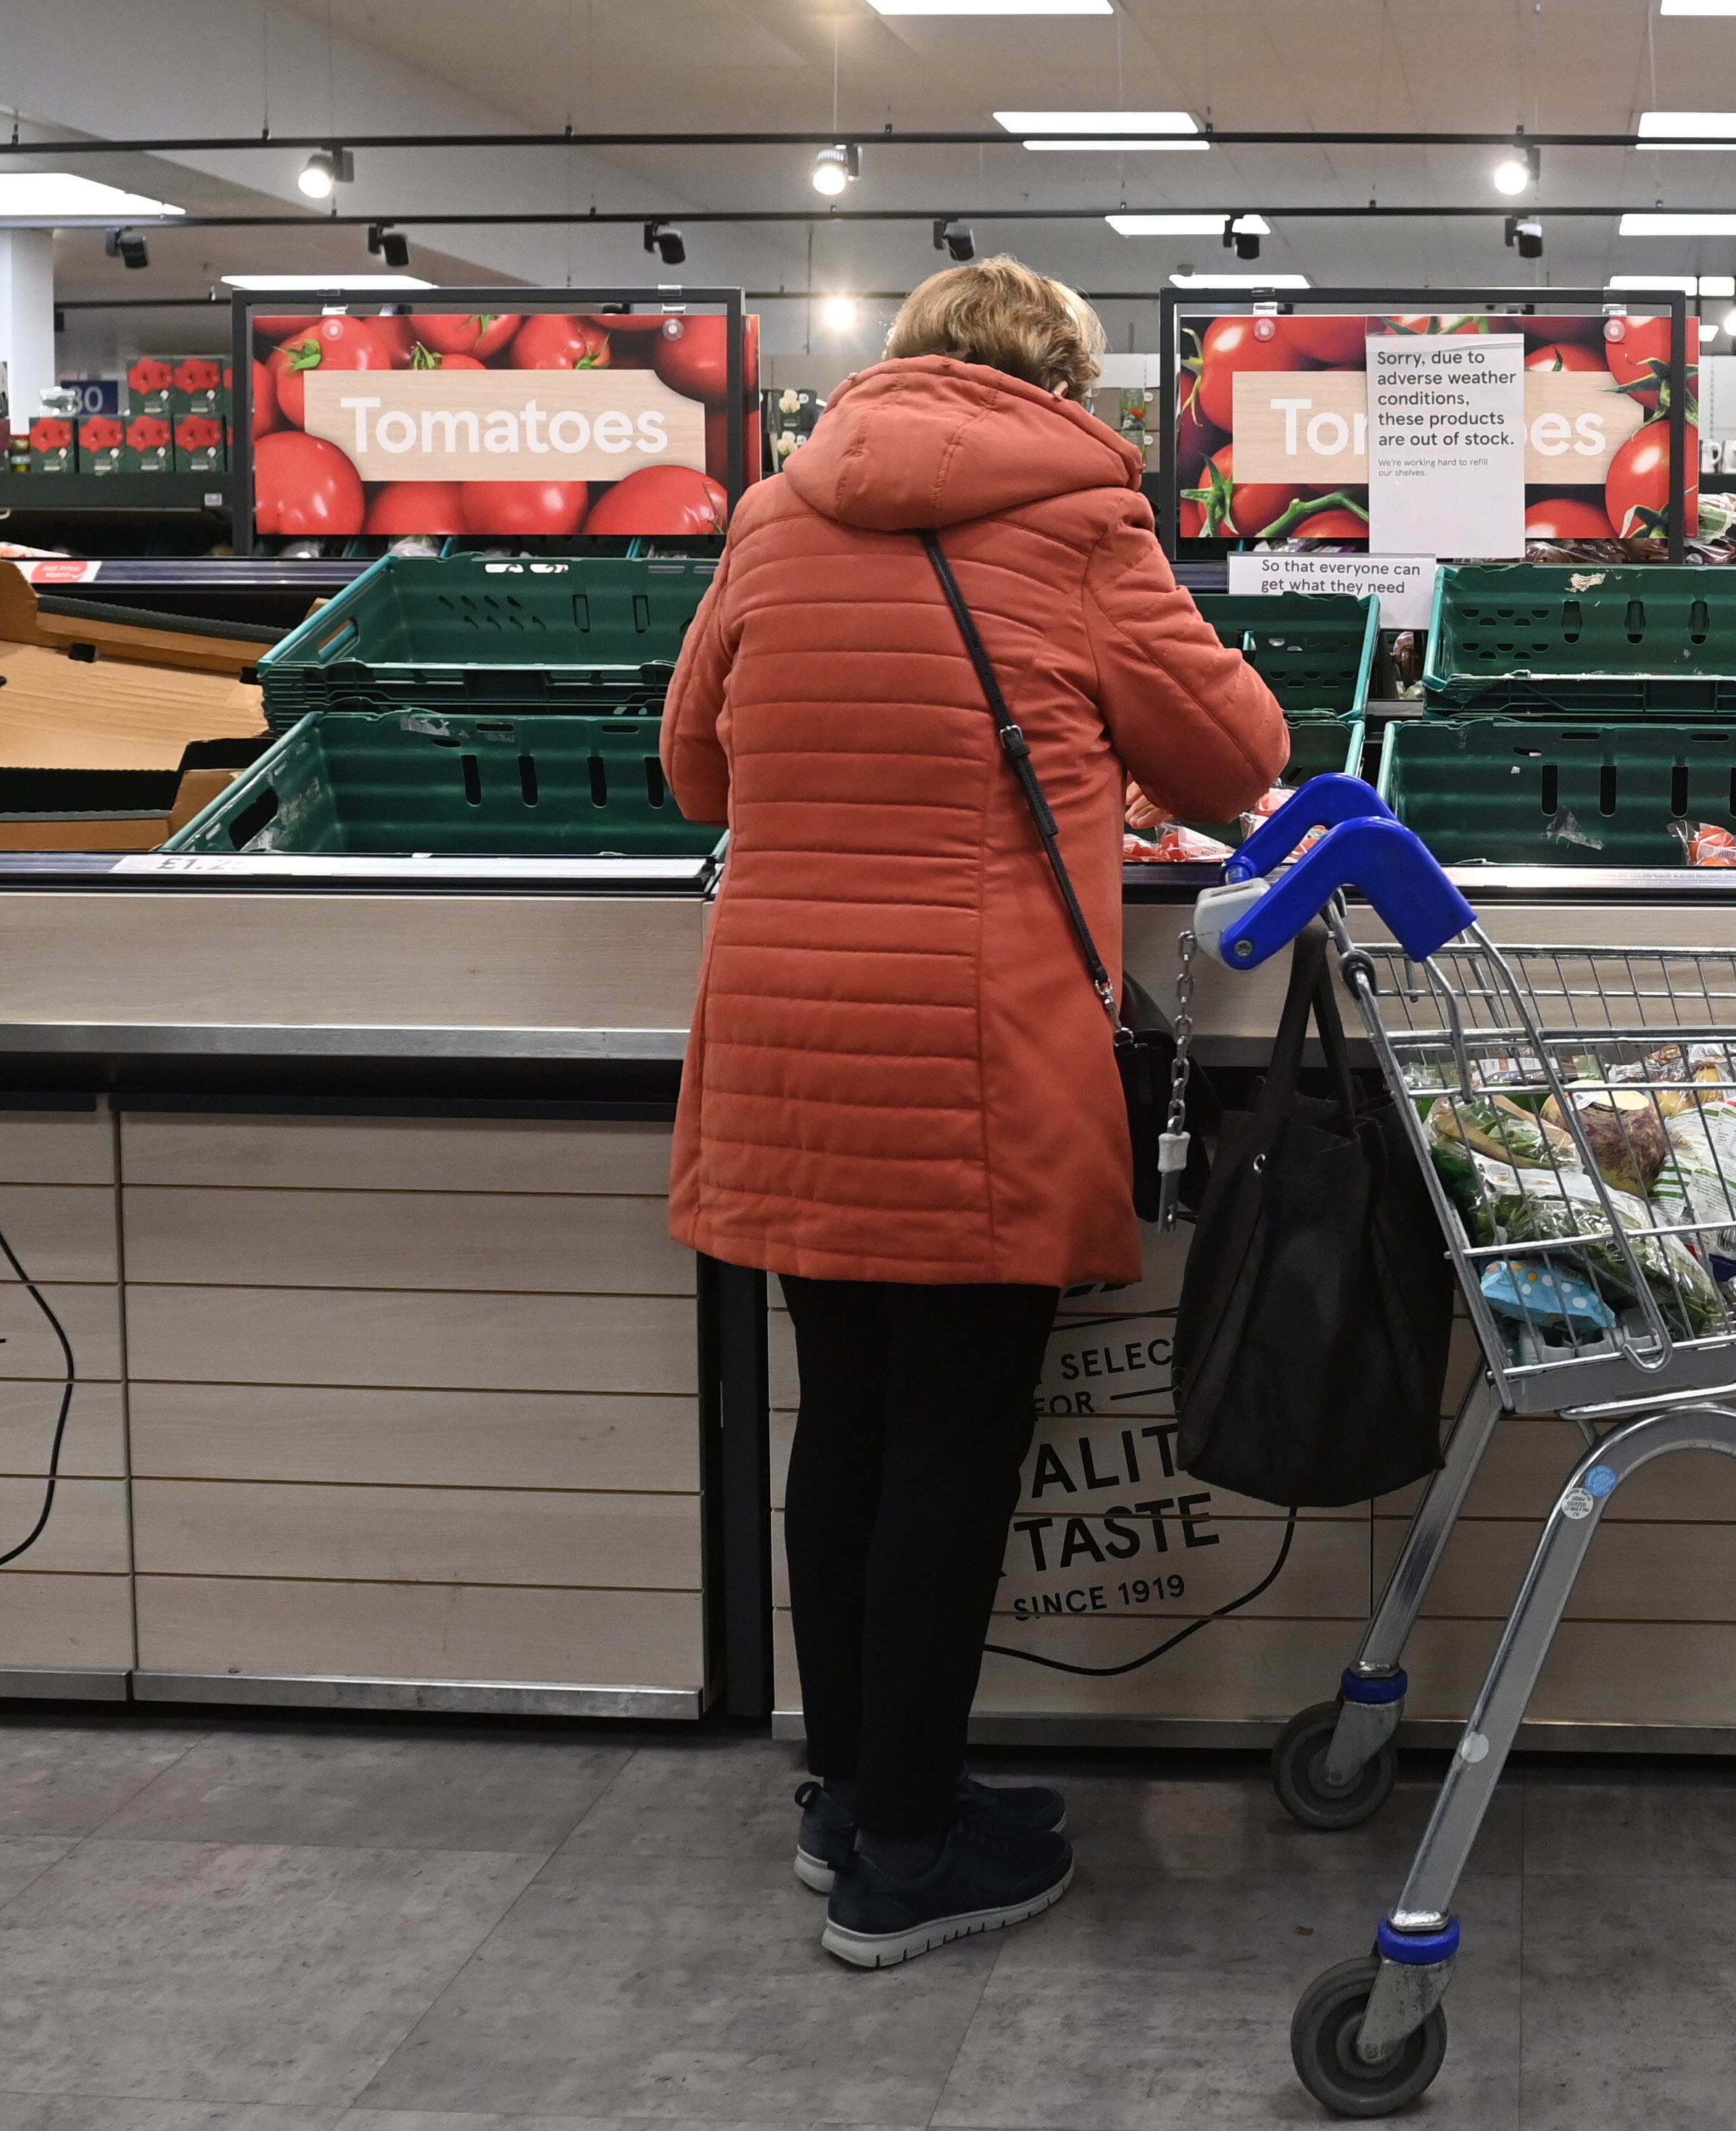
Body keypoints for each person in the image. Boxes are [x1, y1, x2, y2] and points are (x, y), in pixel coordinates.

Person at [660, 258, 1289, 1969]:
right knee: (951, 1434)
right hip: (970, 1043)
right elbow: (1240, 758)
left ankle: (853, 1787)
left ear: (898, 366)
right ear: (1065, 385)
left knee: (844, 1417)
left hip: (783, 1035)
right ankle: (910, 1850)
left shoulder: (773, 516)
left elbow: (692, 768)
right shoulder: (1086, 521)